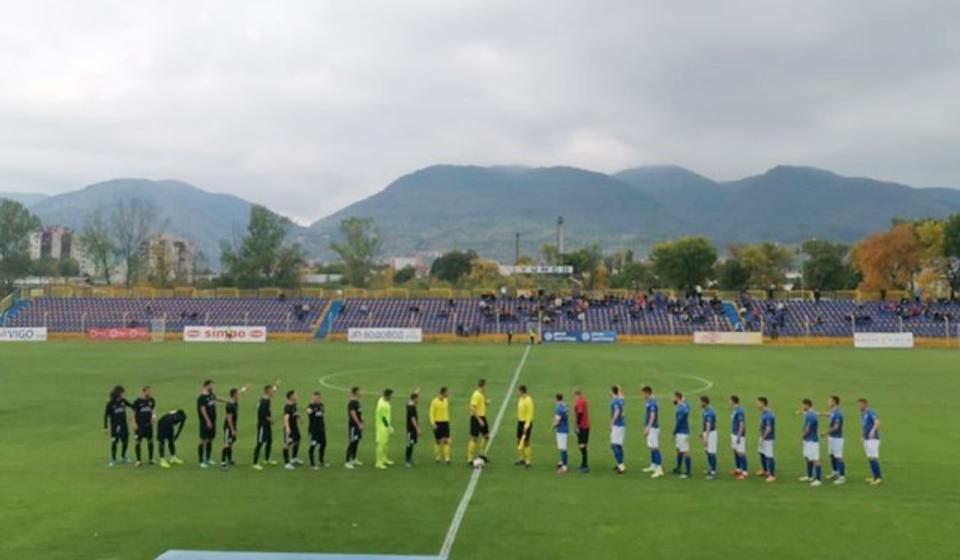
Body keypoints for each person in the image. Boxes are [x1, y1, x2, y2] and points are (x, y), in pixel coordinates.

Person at [103, 385, 132, 466]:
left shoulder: (123, 401)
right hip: (115, 426)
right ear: (118, 393)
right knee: (114, 442)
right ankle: (113, 459)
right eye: (122, 393)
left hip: (124, 425)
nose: (123, 395)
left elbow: (131, 405)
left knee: (125, 441)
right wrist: (105, 427)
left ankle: (123, 456)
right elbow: (106, 415)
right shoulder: (110, 404)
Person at [820, 395, 846, 484]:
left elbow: (837, 426)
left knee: (839, 457)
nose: (828, 402)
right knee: (831, 455)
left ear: (834, 402)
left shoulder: (838, 413)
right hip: (832, 438)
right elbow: (828, 414)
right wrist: (815, 413)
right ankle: (835, 472)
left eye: (830, 401)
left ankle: (842, 477)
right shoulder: (833, 411)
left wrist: (825, 432)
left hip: (837, 439)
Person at [221, 385, 249, 468]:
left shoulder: (235, 401)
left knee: (231, 443)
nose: (239, 395)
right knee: (226, 444)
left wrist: (244, 389)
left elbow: (240, 394)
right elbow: (229, 419)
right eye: (237, 394)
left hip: (233, 426)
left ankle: (229, 459)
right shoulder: (230, 405)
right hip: (228, 427)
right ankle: (223, 462)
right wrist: (232, 430)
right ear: (234, 395)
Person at [196, 379, 221, 469]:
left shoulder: (211, 394)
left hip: (213, 421)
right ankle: (201, 461)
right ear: (206, 386)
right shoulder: (202, 397)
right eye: (211, 385)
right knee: (203, 440)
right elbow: (202, 410)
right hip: (205, 422)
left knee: (210, 439)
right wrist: (207, 421)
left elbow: (216, 398)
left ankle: (208, 458)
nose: (213, 387)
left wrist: (227, 400)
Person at [252, 384, 277, 471]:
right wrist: (270, 419)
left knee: (269, 441)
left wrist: (275, 386)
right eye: (271, 391)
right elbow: (262, 413)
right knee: (260, 443)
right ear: (267, 391)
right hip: (263, 425)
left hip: (266, 425)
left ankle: (266, 460)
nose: (273, 392)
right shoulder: (265, 401)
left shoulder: (265, 399)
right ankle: (255, 463)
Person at [858, 398, 883, 485]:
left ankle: (879, 478)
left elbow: (877, 421)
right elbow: (863, 426)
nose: (859, 406)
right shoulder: (862, 414)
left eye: (860, 404)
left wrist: (873, 430)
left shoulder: (871, 412)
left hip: (873, 439)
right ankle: (874, 476)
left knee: (873, 458)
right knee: (869, 458)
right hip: (867, 439)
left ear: (865, 404)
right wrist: (862, 436)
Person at [799, 399, 823, 487]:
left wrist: (802, 437)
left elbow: (808, 429)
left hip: (812, 441)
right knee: (808, 458)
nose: (802, 407)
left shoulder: (811, 416)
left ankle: (818, 479)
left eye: (803, 405)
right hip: (808, 440)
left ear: (807, 405)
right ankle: (809, 476)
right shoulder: (809, 414)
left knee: (815, 459)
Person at [642, 386, 664, 478]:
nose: (642, 395)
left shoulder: (652, 403)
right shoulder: (649, 402)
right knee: (651, 447)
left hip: (653, 428)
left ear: (647, 393)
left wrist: (648, 427)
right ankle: (653, 465)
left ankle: (659, 469)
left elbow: (652, 416)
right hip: (651, 427)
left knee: (655, 447)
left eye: (643, 393)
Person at [131, 386, 156, 467]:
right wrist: (134, 423)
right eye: (148, 391)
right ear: (144, 392)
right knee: (138, 442)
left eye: (150, 391)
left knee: (150, 441)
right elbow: (134, 413)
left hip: (148, 425)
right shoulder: (137, 401)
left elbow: (152, 410)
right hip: (140, 425)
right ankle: (138, 460)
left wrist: (153, 416)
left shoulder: (151, 400)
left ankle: (151, 459)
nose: (150, 393)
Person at [468, 379, 490, 465]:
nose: (487, 387)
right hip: (476, 418)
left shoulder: (481, 394)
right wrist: (479, 420)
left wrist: (485, 402)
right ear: (483, 385)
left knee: (486, 436)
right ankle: (470, 459)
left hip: (482, 417)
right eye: (486, 385)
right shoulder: (476, 395)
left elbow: (480, 402)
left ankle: (481, 454)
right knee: (473, 438)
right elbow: (472, 408)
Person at [305, 392, 328, 469]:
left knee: (323, 444)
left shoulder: (321, 405)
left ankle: (321, 461)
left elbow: (322, 416)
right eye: (315, 397)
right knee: (313, 445)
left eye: (318, 397)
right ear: (312, 398)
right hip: (313, 430)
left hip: (321, 429)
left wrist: (324, 426)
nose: (316, 399)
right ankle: (312, 464)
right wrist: (314, 409)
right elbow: (308, 411)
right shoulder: (310, 406)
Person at [429, 387, 451, 464]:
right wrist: (433, 423)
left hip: (445, 423)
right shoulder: (434, 402)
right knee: (437, 441)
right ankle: (437, 457)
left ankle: (447, 457)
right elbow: (431, 413)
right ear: (443, 393)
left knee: (446, 440)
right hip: (437, 423)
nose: (448, 394)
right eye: (447, 392)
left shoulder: (446, 401)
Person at [672, 391, 692, 478]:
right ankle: (678, 468)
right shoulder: (684, 406)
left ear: (677, 397)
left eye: (673, 397)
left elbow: (679, 422)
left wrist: (674, 432)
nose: (672, 399)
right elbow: (689, 407)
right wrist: (684, 401)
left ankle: (688, 472)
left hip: (682, 432)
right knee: (679, 449)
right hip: (683, 432)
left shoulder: (681, 409)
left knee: (685, 451)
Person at [757, 397, 776, 483]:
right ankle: (765, 470)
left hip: (767, 439)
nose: (757, 404)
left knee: (769, 456)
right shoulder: (764, 413)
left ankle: (772, 475)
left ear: (763, 403)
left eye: (758, 403)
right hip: (763, 437)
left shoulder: (769, 415)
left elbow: (769, 428)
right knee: (762, 453)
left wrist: (763, 437)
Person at [345, 386, 364, 469]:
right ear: (355, 392)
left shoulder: (357, 402)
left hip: (358, 425)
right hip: (353, 426)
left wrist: (362, 421)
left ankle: (354, 459)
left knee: (356, 442)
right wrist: (359, 424)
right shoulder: (352, 403)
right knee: (352, 442)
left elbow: (359, 413)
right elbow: (353, 414)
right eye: (359, 391)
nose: (361, 392)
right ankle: (347, 461)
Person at [375, 388, 394, 470]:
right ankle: (378, 462)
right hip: (382, 427)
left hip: (385, 426)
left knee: (385, 443)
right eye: (391, 395)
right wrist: (388, 427)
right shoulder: (383, 405)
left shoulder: (383, 401)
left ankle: (384, 458)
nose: (391, 397)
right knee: (381, 444)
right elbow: (383, 418)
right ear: (387, 395)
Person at [515, 385, 534, 468]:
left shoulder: (528, 400)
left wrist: (526, 426)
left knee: (526, 442)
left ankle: (528, 461)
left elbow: (530, 413)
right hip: (520, 422)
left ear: (522, 391)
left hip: (526, 423)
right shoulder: (521, 399)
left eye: (518, 391)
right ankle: (522, 458)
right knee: (519, 440)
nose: (518, 392)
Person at [282, 390, 301, 470]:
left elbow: (294, 413)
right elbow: (286, 418)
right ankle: (286, 463)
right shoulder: (287, 407)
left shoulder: (294, 405)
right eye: (295, 394)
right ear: (291, 397)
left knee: (297, 440)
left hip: (295, 427)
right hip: (290, 428)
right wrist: (288, 428)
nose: (296, 395)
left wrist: (298, 417)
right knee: (287, 444)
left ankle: (294, 458)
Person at [730, 395, 748, 480]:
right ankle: (738, 469)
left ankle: (744, 472)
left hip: (738, 434)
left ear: (733, 401)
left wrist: (739, 436)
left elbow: (742, 424)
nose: (728, 402)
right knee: (736, 451)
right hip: (734, 433)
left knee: (741, 453)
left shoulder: (740, 411)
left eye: (730, 400)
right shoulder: (735, 409)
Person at [700, 396, 718, 479]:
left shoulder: (710, 412)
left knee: (711, 452)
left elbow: (709, 425)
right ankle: (711, 467)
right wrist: (702, 432)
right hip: (706, 432)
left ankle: (713, 472)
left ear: (704, 402)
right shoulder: (705, 410)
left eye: (700, 402)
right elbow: (705, 423)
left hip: (711, 433)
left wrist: (706, 437)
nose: (699, 404)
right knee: (707, 451)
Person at [609, 385, 626, 474]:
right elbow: (622, 395)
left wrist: (611, 423)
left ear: (612, 392)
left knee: (614, 445)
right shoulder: (620, 400)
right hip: (622, 425)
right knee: (618, 445)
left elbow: (617, 412)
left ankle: (621, 466)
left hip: (617, 425)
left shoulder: (615, 401)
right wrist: (619, 388)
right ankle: (620, 463)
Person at [573, 389, 590, 473]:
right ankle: (584, 463)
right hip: (586, 425)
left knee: (581, 445)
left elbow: (580, 413)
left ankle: (585, 465)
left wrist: (577, 425)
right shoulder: (584, 400)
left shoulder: (579, 402)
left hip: (582, 426)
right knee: (584, 445)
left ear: (577, 395)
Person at [552, 393, 570, 473]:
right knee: (562, 448)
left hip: (561, 430)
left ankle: (564, 467)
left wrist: (553, 426)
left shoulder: (558, 408)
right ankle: (562, 461)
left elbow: (557, 421)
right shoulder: (564, 405)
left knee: (563, 449)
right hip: (565, 428)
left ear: (556, 399)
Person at [406, 390, 421, 467]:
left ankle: (409, 457)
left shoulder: (409, 403)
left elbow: (410, 398)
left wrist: (416, 392)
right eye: (418, 398)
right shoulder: (411, 407)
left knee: (412, 443)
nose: (418, 400)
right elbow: (413, 419)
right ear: (414, 398)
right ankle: (407, 460)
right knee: (410, 444)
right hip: (411, 429)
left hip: (412, 429)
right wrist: (417, 428)